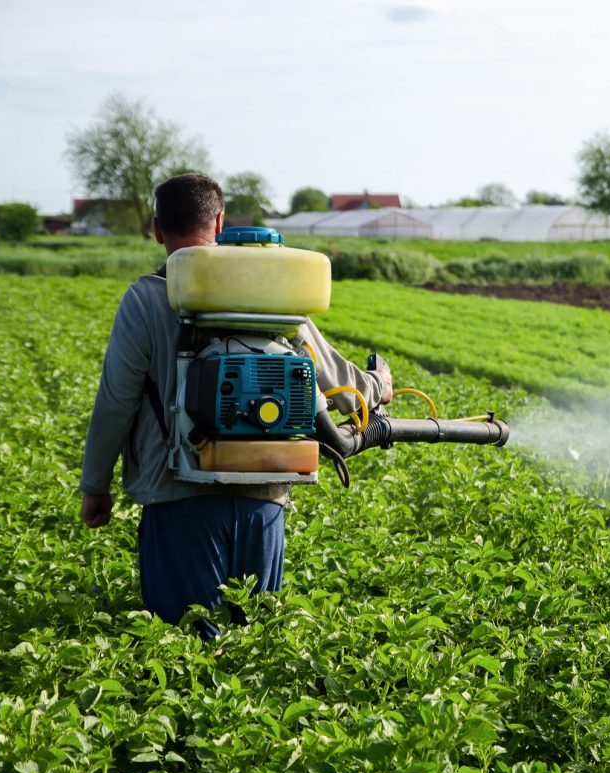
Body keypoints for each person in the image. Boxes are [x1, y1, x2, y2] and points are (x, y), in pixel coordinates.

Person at [79, 173, 390, 637]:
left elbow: (116, 402)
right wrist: (376, 385)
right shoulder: (269, 289)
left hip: (178, 497)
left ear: (157, 229)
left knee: (186, 650)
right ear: (220, 221)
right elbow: (332, 378)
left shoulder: (145, 299)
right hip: (263, 495)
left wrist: (95, 485)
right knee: (254, 648)